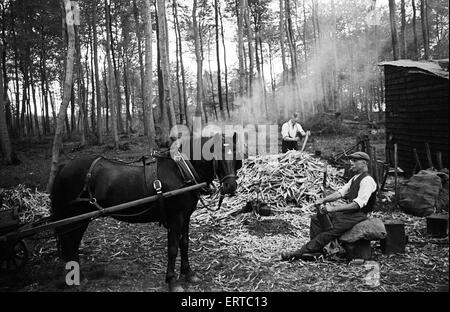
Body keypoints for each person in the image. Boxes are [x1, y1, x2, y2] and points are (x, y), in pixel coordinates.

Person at [281, 151, 378, 261]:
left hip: (359, 214)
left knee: (330, 230)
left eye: (355, 161)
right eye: (351, 160)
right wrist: (324, 200)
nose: (351, 163)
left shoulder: (367, 180)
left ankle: (299, 253)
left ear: (364, 163)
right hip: (351, 213)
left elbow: (357, 205)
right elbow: (340, 193)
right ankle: (318, 251)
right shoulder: (355, 178)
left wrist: (332, 209)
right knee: (316, 218)